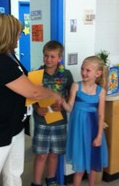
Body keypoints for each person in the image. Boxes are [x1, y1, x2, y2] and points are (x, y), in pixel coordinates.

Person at [0, 14, 62, 186]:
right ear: (8, 34)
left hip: (13, 125)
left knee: (14, 173)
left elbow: (23, 82)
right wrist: (53, 94)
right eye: (18, 33)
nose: (20, 36)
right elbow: (33, 93)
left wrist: (34, 84)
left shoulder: (9, 56)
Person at [31, 40, 74, 186]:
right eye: (46, 56)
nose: (48, 59)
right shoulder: (36, 75)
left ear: (59, 58)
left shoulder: (66, 74)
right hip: (42, 121)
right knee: (42, 155)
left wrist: (62, 105)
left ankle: (51, 179)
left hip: (59, 121)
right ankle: (36, 182)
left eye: (52, 56)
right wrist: (37, 109)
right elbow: (30, 97)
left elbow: (70, 95)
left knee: (54, 154)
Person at [62, 55, 108, 186]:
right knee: (80, 168)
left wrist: (99, 136)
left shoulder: (101, 91)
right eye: (82, 69)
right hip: (79, 131)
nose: (83, 72)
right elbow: (70, 108)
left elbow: (101, 115)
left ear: (97, 73)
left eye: (88, 70)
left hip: (93, 131)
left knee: (93, 165)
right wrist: (62, 102)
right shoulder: (76, 86)